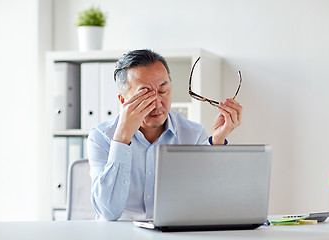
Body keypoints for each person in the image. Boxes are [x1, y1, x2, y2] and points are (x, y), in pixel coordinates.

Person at [87, 49, 242, 221]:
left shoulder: (193, 134)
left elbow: (209, 202)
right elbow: (108, 212)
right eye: (145, 94)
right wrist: (122, 139)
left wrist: (217, 141)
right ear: (124, 101)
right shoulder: (101, 136)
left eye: (163, 91)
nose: (157, 103)